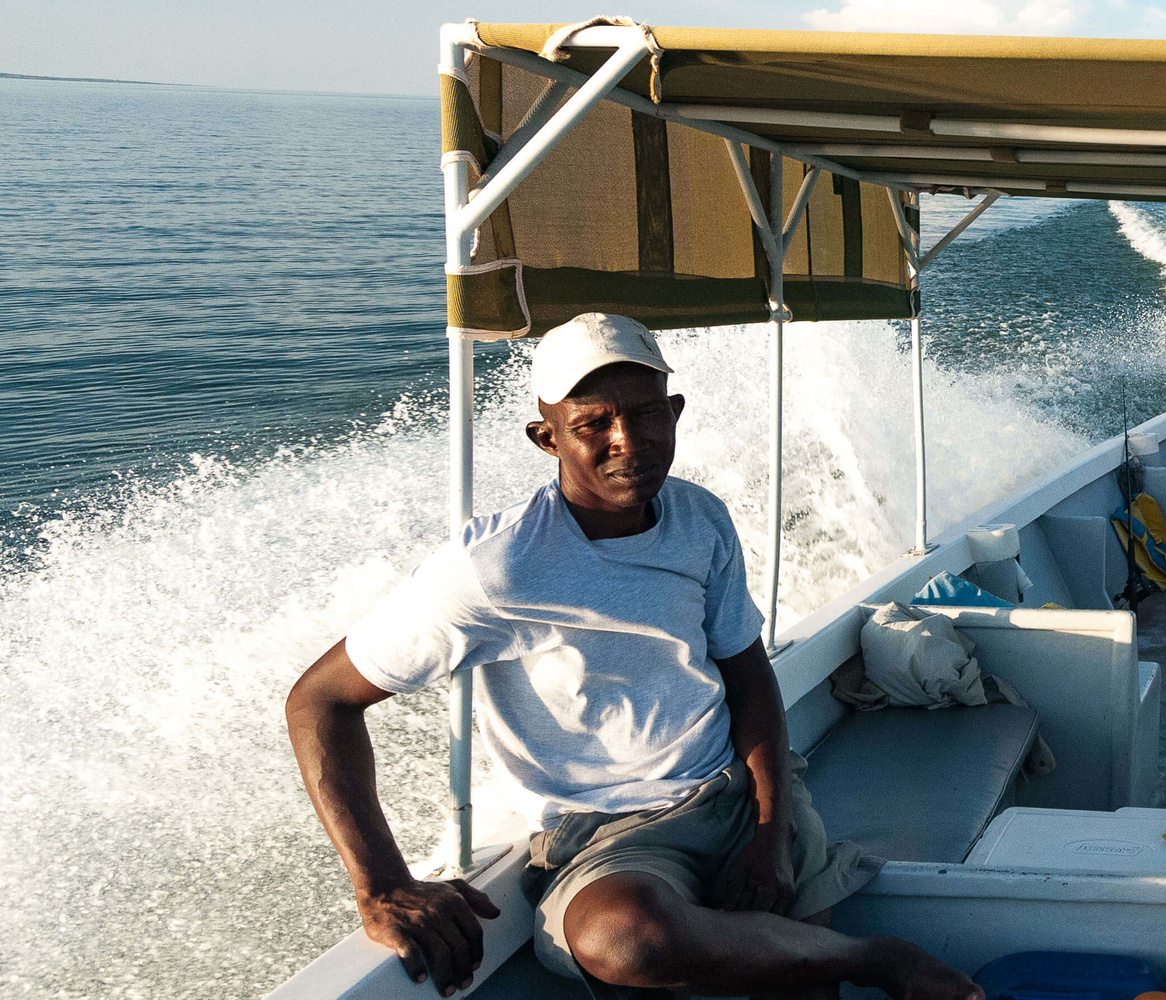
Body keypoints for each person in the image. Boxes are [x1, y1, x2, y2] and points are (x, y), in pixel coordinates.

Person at [285, 313, 983, 1000]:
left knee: (790, 983)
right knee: (625, 940)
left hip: (737, 797)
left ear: (675, 412)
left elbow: (747, 675)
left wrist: (772, 832)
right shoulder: (496, 568)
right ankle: (873, 959)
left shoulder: (700, 519)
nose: (631, 441)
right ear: (546, 437)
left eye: (650, 414)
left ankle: (824, 951)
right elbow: (319, 700)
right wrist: (381, 884)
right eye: (595, 424)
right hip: (610, 839)